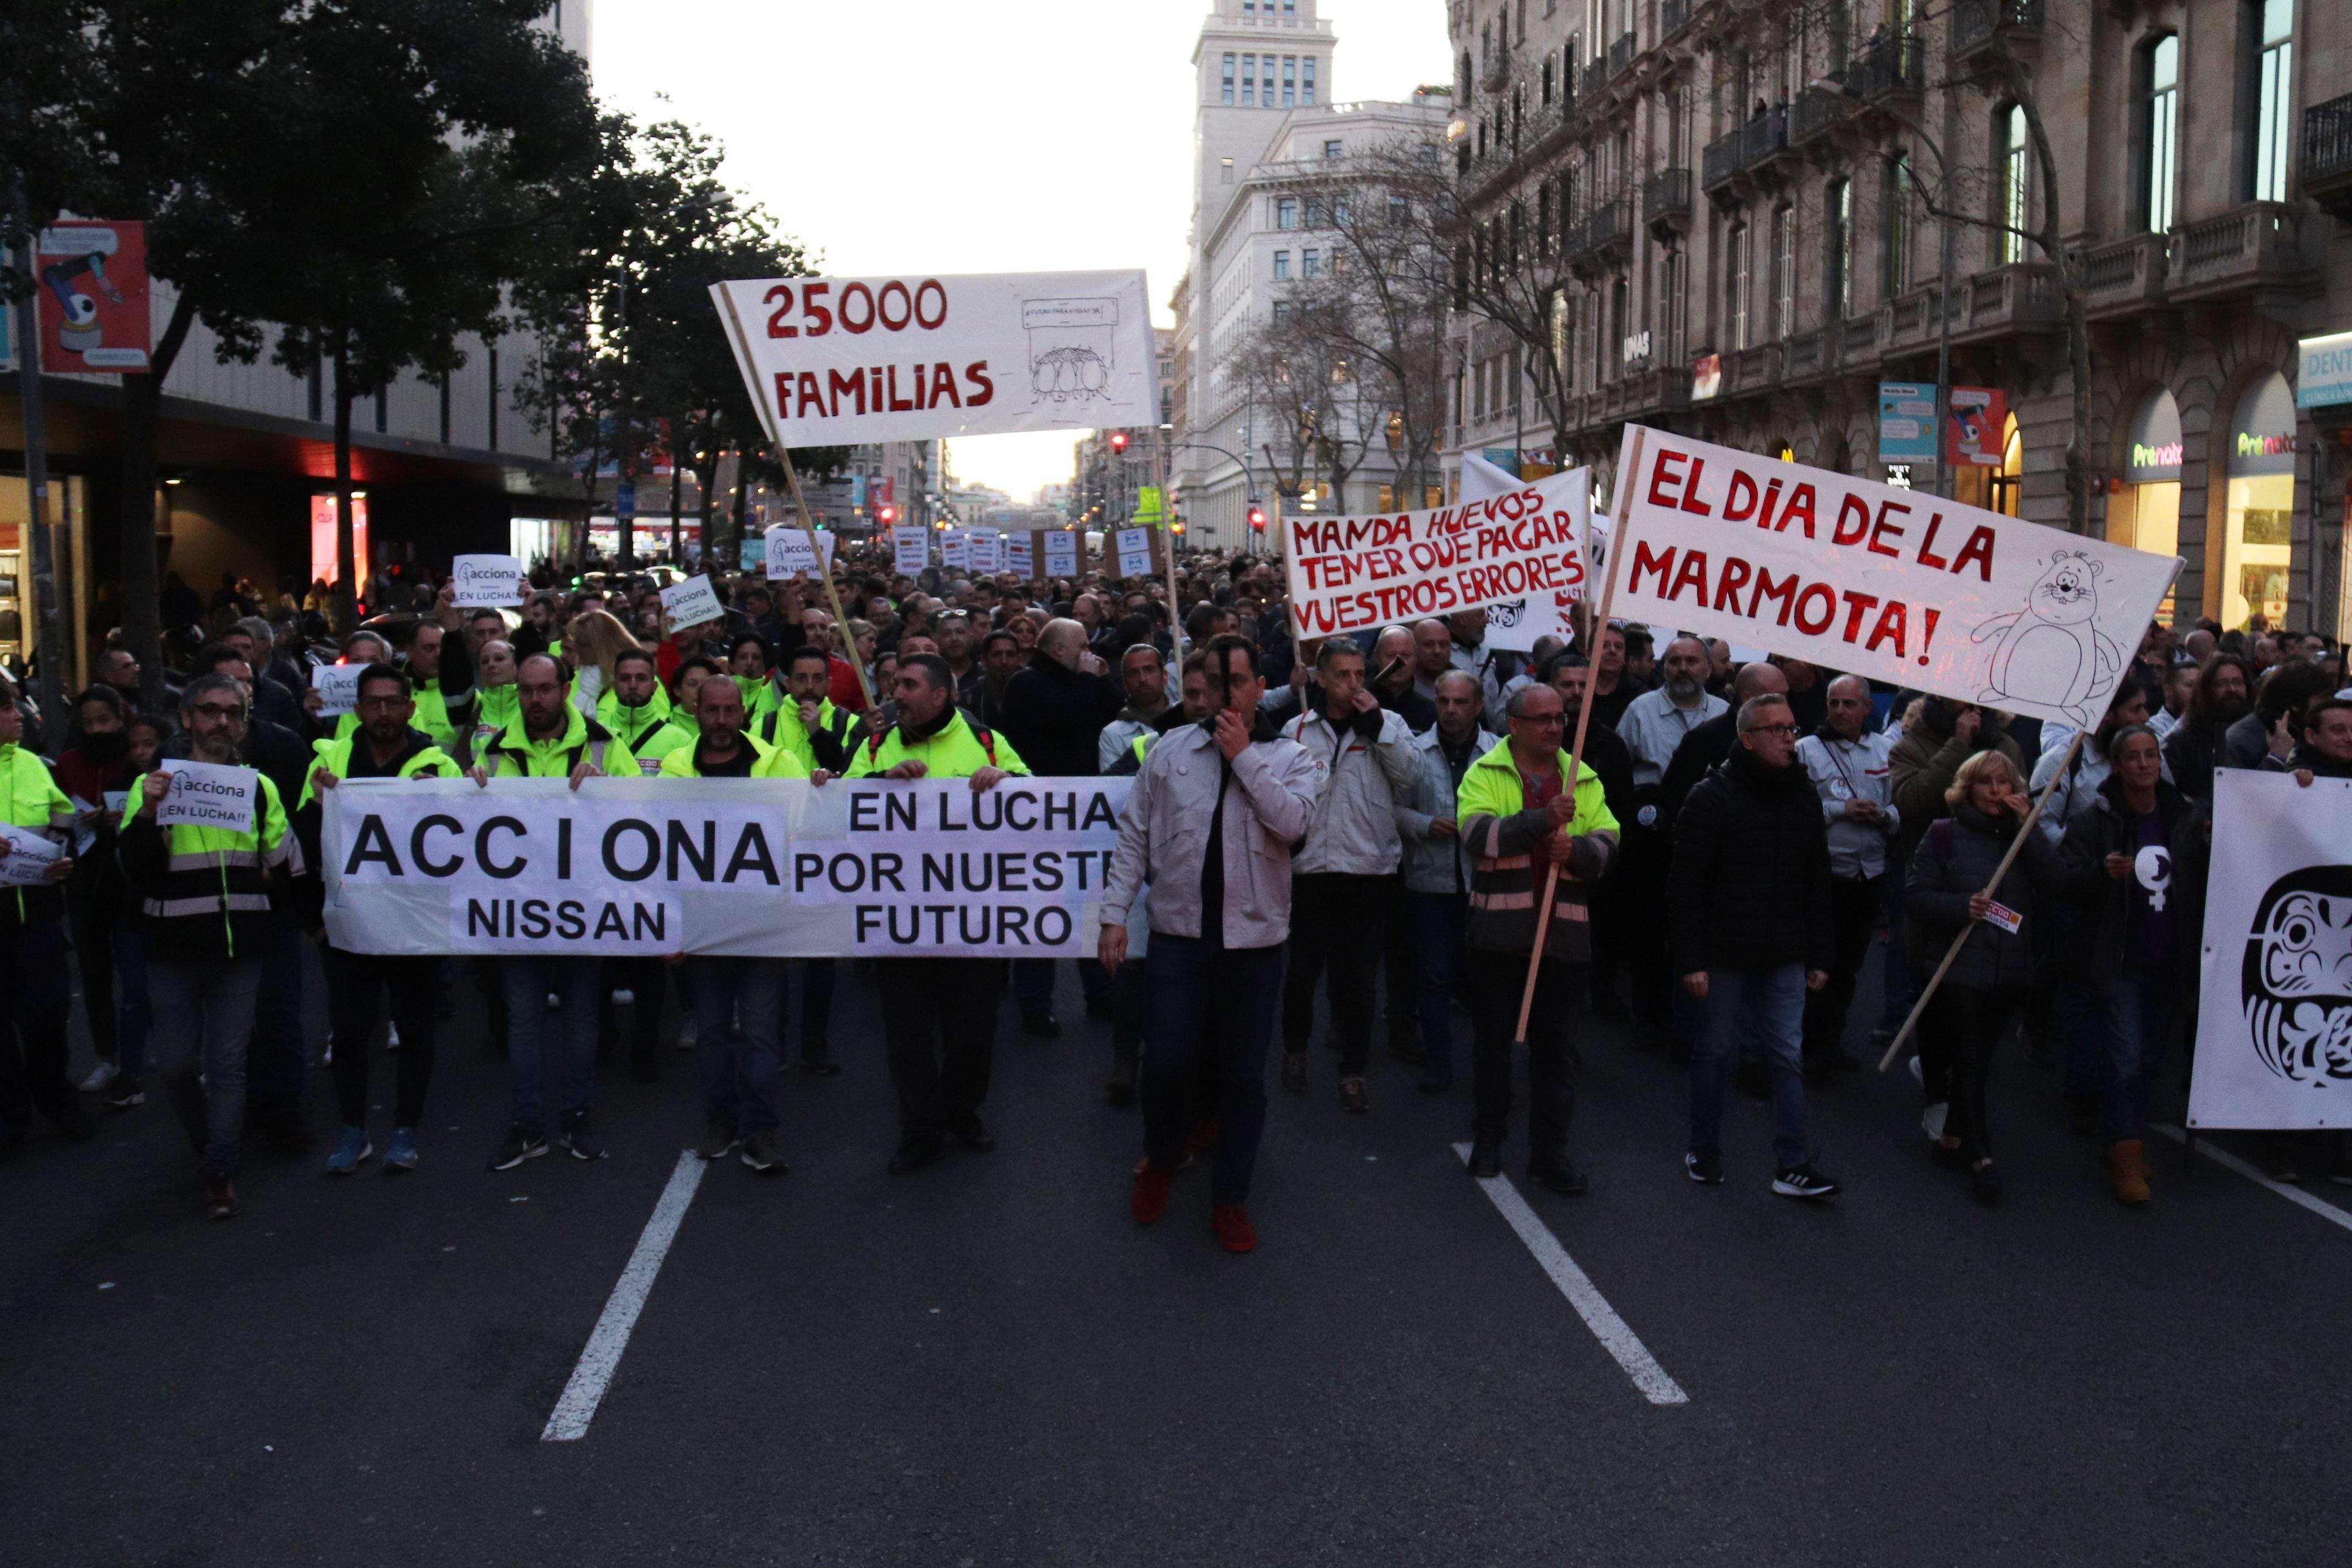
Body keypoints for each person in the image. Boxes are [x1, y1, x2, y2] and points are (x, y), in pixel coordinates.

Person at [1104, 634, 1317, 1254]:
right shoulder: (1171, 749)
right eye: (1217, 685)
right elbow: (1134, 836)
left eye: (1239, 683)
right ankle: (1165, 1155)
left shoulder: (1290, 757)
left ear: (1257, 687)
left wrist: (1244, 757)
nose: (1227, 695)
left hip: (1253, 944)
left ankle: (1231, 1197)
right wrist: (1115, 915)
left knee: (1242, 1078)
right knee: (1167, 1062)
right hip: (1179, 937)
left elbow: (1294, 826)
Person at [117, 674, 301, 1218]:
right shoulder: (153, 785)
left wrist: (273, 876)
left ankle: (220, 1168)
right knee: (174, 1065)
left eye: (232, 712)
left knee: (227, 1064)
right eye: (210, 711)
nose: (222, 721)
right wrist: (150, 814)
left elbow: (284, 863)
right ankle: (211, 1146)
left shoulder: (259, 788)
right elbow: (135, 871)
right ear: (188, 719)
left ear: (243, 724)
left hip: (239, 948)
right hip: (172, 947)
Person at [847, 653, 1029, 1173]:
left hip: (975, 921)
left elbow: (1037, 801)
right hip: (900, 919)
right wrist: (881, 783)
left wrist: (1005, 782)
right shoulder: (877, 745)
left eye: (907, 685)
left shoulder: (987, 742)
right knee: (907, 1037)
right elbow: (840, 810)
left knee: (972, 1031)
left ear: (940, 695)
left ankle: (962, 1112)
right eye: (894, 683)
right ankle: (920, 1129)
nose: (895, 693)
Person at [470, 652, 637, 1170]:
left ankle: (576, 1119)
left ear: (566, 690)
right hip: (517, 912)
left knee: (582, 1021)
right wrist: (468, 790)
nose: (535, 700)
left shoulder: (605, 744)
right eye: (526, 690)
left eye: (545, 689)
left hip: (583, 912)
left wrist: (607, 791)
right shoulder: (490, 748)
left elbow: (644, 817)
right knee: (523, 1021)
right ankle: (527, 1125)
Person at [1669, 693, 1841, 1199]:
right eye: (1777, 730)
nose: (1790, 737)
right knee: (1715, 1050)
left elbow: (1817, 881)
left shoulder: (1802, 796)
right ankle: (1705, 1148)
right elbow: (1686, 886)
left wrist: (1820, 954)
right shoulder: (1711, 798)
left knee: (1787, 1054)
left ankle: (1794, 1163)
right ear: (1748, 739)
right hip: (1724, 953)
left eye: (1791, 727)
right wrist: (1691, 959)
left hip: (1784, 950)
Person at [296, 665, 462, 1173]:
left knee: (414, 1030)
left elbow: (462, 848)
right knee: (349, 1032)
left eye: (394, 702)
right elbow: (302, 845)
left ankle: (406, 1128)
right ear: (358, 709)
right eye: (373, 703)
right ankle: (353, 1129)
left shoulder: (439, 764)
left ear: (412, 707)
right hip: (351, 925)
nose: (384, 713)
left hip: (414, 925)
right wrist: (314, 921)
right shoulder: (330, 759)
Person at [1454, 683, 1618, 1190]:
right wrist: (1540, 821)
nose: (1553, 727)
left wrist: (1583, 853)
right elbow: (1478, 837)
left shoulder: (1583, 778)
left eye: (1560, 719)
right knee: (1493, 1050)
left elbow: (1609, 842)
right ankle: (1488, 1140)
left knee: (1558, 1054)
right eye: (1542, 719)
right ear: (1515, 725)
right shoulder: (1484, 773)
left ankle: (1551, 1154)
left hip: (1563, 939)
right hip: (1498, 939)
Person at [659, 672, 807, 1175]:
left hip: (764, 926)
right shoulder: (675, 770)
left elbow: (806, 829)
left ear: (743, 712)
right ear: (695, 712)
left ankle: (760, 1130)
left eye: (730, 711)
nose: (721, 721)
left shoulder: (778, 763)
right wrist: (671, 927)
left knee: (762, 1032)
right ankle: (721, 1121)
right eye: (711, 711)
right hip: (704, 931)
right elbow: (657, 851)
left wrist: (825, 787)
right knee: (715, 1032)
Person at [1905, 750, 2066, 1203]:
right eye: (1985, 784)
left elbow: (2057, 883)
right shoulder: (1943, 835)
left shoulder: (2022, 836)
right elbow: (1916, 897)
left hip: (2012, 970)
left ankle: (1954, 1136)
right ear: (1968, 789)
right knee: (1972, 1058)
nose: (1996, 792)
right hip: (1960, 967)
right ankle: (1983, 1157)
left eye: (2004, 783)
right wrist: (1961, 908)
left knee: (1979, 1060)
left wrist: (2029, 828)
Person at [1277, 639, 1418, 1112]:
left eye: (1360, 673)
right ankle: (1295, 1050)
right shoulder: (1297, 728)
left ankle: (1353, 1070)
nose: (1354, 683)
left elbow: (1412, 779)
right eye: (1342, 675)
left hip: (1366, 869)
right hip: (1309, 869)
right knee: (1302, 972)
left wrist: (1377, 729)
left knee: (1359, 977)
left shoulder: (1389, 724)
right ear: (1320, 678)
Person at [2060, 724, 2196, 1205]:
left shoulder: (2184, 817)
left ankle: (2125, 1139)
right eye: (2133, 757)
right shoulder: (2095, 820)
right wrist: (2101, 873)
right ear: (2117, 766)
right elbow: (2065, 882)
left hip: (2171, 960)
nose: (2144, 764)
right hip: (2120, 960)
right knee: (2126, 1059)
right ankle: (2124, 1155)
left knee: (2149, 1062)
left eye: (2151, 755)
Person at [999, 618, 1123, 1034]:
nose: (1089, 652)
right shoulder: (1026, 684)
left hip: (1082, 810)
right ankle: (1035, 1003)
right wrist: (1088, 681)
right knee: (1042, 909)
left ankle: (1101, 992)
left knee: (1089, 903)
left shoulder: (1078, 680)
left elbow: (1105, 713)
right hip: (1039, 816)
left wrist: (1100, 682)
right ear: (1058, 650)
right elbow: (1068, 717)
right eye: (1082, 645)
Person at [1614, 636, 1727, 1052]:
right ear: (1664, 666)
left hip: (1710, 841)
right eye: (1674, 661)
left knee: (1696, 933)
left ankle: (1691, 1022)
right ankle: (1648, 1016)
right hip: (1654, 837)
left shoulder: (1727, 715)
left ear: (1709, 668)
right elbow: (1622, 770)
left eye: (1691, 661)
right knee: (1650, 928)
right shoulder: (1640, 711)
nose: (1682, 669)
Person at [0, 676, 92, 1163]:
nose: (19, 716)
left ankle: (56, 1099)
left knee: (49, 1015)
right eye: (9, 708)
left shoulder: (36, 766)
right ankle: (9, 1116)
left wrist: (63, 857)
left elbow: (64, 826)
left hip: (36, 918)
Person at [1393, 670, 1497, 1095]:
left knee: (1486, 979)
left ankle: (1490, 1063)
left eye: (1461, 703)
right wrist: (1423, 824)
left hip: (1486, 883)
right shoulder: (1415, 753)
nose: (1452, 710)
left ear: (1477, 706)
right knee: (1434, 978)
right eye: (1444, 702)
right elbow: (1392, 809)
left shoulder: (1498, 753)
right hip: (1431, 884)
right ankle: (1439, 1063)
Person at [1794, 674, 1902, 1076]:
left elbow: (1899, 808)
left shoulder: (1886, 751)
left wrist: (1884, 816)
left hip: (1869, 874)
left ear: (1867, 708)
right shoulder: (1807, 750)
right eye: (1834, 703)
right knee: (1818, 965)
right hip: (1827, 875)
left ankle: (1832, 1039)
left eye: (1849, 704)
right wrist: (1840, 810)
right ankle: (1807, 1047)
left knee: (1849, 967)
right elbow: (1796, 812)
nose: (1840, 711)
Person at [2162, 654, 2252, 802]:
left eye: (2238, 682)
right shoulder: (2181, 742)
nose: (2232, 689)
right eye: (2222, 684)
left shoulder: (2260, 736)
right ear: (2207, 690)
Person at [1097, 644, 1172, 771]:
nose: (1142, 679)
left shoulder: (1186, 720)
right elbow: (1112, 786)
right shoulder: (1113, 735)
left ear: (1164, 676)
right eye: (1134, 673)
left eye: (1149, 670)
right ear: (1125, 684)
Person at [594, 646, 674, 756]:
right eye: (625, 678)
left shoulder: (678, 739)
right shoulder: (596, 736)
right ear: (614, 686)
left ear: (654, 687)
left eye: (641, 678)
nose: (633, 686)